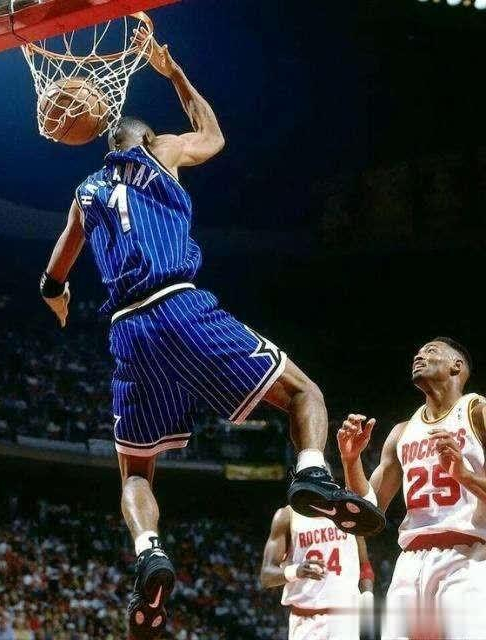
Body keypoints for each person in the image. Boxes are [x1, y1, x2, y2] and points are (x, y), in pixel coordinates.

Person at [41, 28, 383, 639]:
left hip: (126, 331)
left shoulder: (85, 194)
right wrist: (173, 72)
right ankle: (311, 472)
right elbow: (214, 134)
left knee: (136, 471)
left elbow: (56, 267)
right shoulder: (161, 153)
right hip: (178, 303)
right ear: (149, 140)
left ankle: (149, 552)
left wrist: (56, 295)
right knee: (304, 394)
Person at [337, 337, 486, 639]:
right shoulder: (402, 432)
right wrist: (351, 461)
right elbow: (368, 513)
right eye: (418, 352)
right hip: (410, 562)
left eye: (431, 351)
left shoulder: (478, 413)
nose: (419, 356)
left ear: (456, 366)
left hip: (468, 558)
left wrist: (464, 475)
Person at [260, 496, 375, 640]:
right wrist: (296, 571)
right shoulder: (287, 515)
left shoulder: (349, 511)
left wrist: (367, 597)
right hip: (305, 618)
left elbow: (365, 567)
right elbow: (266, 576)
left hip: (345, 621)